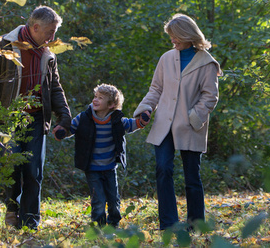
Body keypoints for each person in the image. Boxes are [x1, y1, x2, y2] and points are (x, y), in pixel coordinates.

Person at [0, 5, 72, 230]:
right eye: (50, 31)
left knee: (33, 170)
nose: (53, 37)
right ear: (35, 27)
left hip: (36, 119)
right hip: (7, 118)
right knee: (12, 168)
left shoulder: (48, 54)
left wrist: (64, 116)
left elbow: (55, 88)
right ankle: (12, 210)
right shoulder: (2, 47)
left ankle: (30, 222)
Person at [133, 14, 221, 231]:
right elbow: (156, 89)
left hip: (190, 126)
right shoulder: (166, 58)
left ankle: (195, 225)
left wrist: (194, 116)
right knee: (163, 169)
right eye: (170, 37)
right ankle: (168, 224)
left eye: (175, 36)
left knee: (192, 176)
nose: (172, 40)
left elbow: (210, 96)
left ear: (187, 34)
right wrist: (145, 109)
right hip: (164, 125)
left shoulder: (207, 63)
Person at [60, 83, 149, 227]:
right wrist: (61, 131)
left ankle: (113, 223)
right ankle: (98, 226)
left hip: (109, 167)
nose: (95, 100)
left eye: (100, 98)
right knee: (98, 200)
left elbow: (132, 124)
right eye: (95, 96)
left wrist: (142, 121)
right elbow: (70, 129)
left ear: (111, 105)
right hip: (92, 168)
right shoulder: (84, 118)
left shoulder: (117, 120)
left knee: (113, 199)